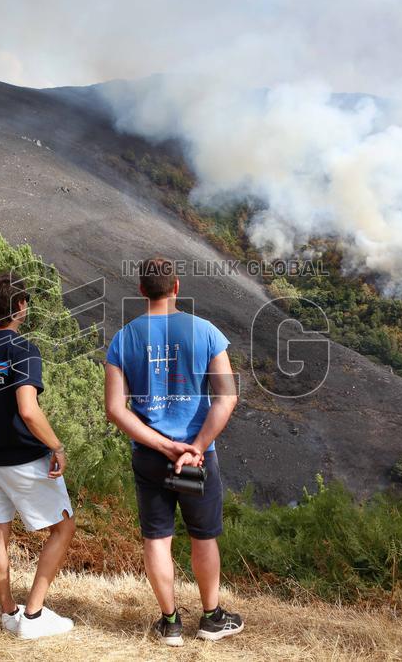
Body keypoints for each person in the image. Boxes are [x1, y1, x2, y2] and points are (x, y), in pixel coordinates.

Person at [104, 257, 243, 646]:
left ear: (142, 291)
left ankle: (170, 623)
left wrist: (164, 445)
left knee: (157, 538)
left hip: (150, 455)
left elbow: (115, 409)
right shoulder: (207, 332)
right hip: (198, 458)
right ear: (177, 287)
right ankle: (212, 618)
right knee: (203, 537)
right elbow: (226, 398)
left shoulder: (123, 339)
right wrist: (194, 448)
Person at [0, 272, 76, 639]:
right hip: (23, 458)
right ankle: (35, 615)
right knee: (63, 526)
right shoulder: (23, 349)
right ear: (21, 306)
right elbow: (28, 410)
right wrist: (56, 447)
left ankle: (8, 612)